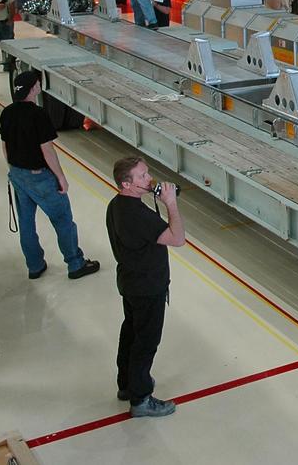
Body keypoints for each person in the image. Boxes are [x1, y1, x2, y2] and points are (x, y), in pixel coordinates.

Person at [0, 70, 101, 281]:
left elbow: (5, 145)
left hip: (17, 175)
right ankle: (75, 264)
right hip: (40, 177)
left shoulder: (7, 112)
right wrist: (60, 177)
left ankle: (35, 266)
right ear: (34, 88)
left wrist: (13, 169)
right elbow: (47, 150)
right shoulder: (38, 114)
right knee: (63, 220)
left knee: (26, 223)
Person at [106, 156, 184, 418]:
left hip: (129, 281)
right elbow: (177, 238)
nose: (149, 179)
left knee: (130, 331)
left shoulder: (116, 205)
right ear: (126, 184)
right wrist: (171, 204)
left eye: (147, 173)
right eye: (142, 176)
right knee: (146, 341)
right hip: (148, 286)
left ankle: (126, 384)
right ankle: (140, 398)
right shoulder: (137, 215)